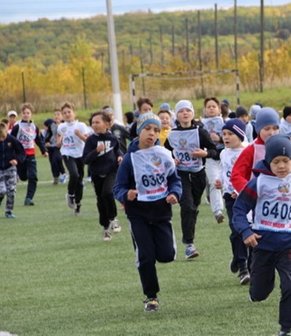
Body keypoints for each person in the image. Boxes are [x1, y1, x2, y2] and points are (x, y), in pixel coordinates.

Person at [232, 134, 291, 336]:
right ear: (268, 161)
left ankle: (286, 329)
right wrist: (246, 231)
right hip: (263, 245)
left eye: (286, 161)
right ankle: (257, 288)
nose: (282, 165)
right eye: (276, 161)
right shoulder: (259, 183)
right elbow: (239, 210)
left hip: (287, 246)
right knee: (260, 293)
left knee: (290, 286)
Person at [113, 112, 182, 312]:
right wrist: (127, 194)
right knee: (145, 256)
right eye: (148, 129)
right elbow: (117, 187)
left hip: (161, 213)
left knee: (166, 255)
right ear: (138, 132)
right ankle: (151, 297)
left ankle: (165, 251)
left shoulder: (163, 155)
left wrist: (175, 194)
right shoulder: (129, 159)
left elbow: (174, 180)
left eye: (156, 130)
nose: (152, 134)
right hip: (138, 215)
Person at [163, 100, 219, 259]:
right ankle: (189, 244)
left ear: (193, 113)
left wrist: (205, 154)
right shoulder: (172, 133)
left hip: (198, 174)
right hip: (180, 174)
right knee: (187, 205)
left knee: (193, 207)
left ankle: (189, 236)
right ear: (177, 115)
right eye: (181, 111)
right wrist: (172, 159)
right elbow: (165, 153)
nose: (185, 113)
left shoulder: (200, 131)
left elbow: (215, 151)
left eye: (188, 110)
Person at [231, 107, 291, 197]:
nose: (271, 132)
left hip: (284, 198)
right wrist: (250, 192)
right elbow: (236, 174)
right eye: (267, 129)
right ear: (258, 130)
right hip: (259, 202)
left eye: (275, 128)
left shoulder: (286, 147)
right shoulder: (252, 149)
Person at [213, 118, 249, 285]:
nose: (225, 137)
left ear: (240, 135)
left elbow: (250, 175)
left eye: (230, 134)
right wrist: (219, 181)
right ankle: (243, 267)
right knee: (236, 230)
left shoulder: (248, 152)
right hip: (230, 197)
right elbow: (223, 170)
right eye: (224, 134)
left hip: (248, 196)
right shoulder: (223, 152)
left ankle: (241, 258)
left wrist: (239, 189)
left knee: (249, 230)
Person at [83, 111, 124, 241]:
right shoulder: (91, 140)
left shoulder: (112, 138)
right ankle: (106, 228)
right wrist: (96, 151)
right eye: (93, 123)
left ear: (107, 124)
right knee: (101, 200)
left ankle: (113, 219)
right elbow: (85, 159)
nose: (94, 125)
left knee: (108, 192)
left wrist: (120, 156)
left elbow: (117, 149)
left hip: (111, 171)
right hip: (96, 173)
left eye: (97, 122)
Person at [10, 103, 48, 206]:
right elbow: (11, 140)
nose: (26, 115)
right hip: (20, 155)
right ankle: (21, 174)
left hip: (31, 154)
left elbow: (38, 140)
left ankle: (28, 198)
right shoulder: (17, 127)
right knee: (23, 177)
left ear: (31, 114)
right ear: (21, 114)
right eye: (24, 113)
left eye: (28, 113)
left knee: (33, 176)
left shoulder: (34, 127)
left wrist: (44, 150)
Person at [0, 122, 25, 219]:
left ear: (7, 132)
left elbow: (21, 152)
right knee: (2, 190)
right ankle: (0, 197)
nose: (2, 139)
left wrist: (17, 160)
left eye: (3, 137)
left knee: (11, 191)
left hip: (10, 168)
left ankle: (8, 211)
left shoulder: (12, 140)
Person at [57, 102, 90, 216]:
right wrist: (59, 142)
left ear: (74, 113)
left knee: (79, 180)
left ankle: (78, 205)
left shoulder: (81, 126)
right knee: (74, 174)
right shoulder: (61, 126)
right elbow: (59, 136)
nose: (67, 114)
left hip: (80, 154)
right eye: (64, 113)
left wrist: (80, 135)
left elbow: (87, 141)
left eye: (69, 112)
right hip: (67, 153)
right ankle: (70, 195)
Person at [201, 97, 226, 223]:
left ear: (219, 109)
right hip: (210, 157)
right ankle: (218, 211)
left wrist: (220, 139)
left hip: (224, 156)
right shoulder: (201, 125)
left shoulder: (225, 123)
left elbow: (235, 137)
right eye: (208, 107)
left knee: (228, 183)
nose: (211, 109)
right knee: (214, 182)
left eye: (213, 106)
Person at [44, 116, 67, 185]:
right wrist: (46, 142)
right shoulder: (51, 126)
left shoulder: (64, 125)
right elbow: (49, 136)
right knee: (53, 162)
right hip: (51, 147)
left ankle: (63, 173)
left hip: (59, 146)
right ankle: (57, 176)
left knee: (56, 159)